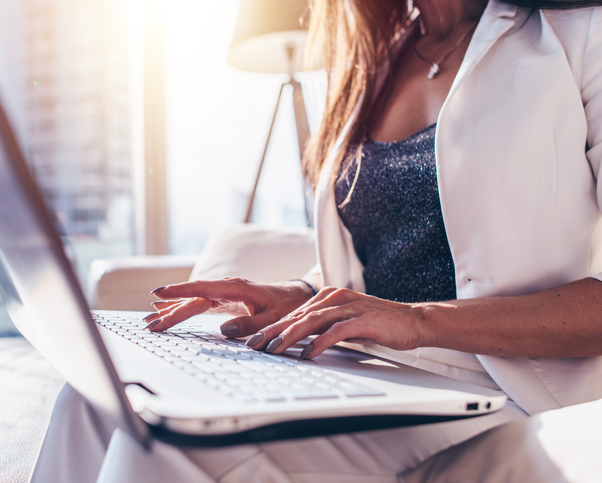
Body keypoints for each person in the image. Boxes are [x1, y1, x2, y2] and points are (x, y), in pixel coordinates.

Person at [31, 0, 602, 481]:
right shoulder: (377, 56)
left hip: (502, 386)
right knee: (88, 403)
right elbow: (375, 268)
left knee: (163, 445)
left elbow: (411, 305)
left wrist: (420, 320)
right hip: (366, 369)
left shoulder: (579, 36)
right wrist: (299, 295)